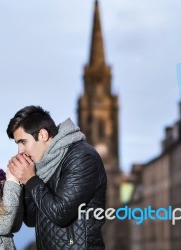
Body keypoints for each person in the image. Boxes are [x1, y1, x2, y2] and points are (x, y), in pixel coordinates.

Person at [7, 105, 107, 249]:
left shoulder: (81, 157)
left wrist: (30, 179)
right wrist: (22, 181)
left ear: (43, 135)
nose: (20, 151)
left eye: (23, 142)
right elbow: (31, 219)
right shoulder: (42, 166)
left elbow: (61, 214)